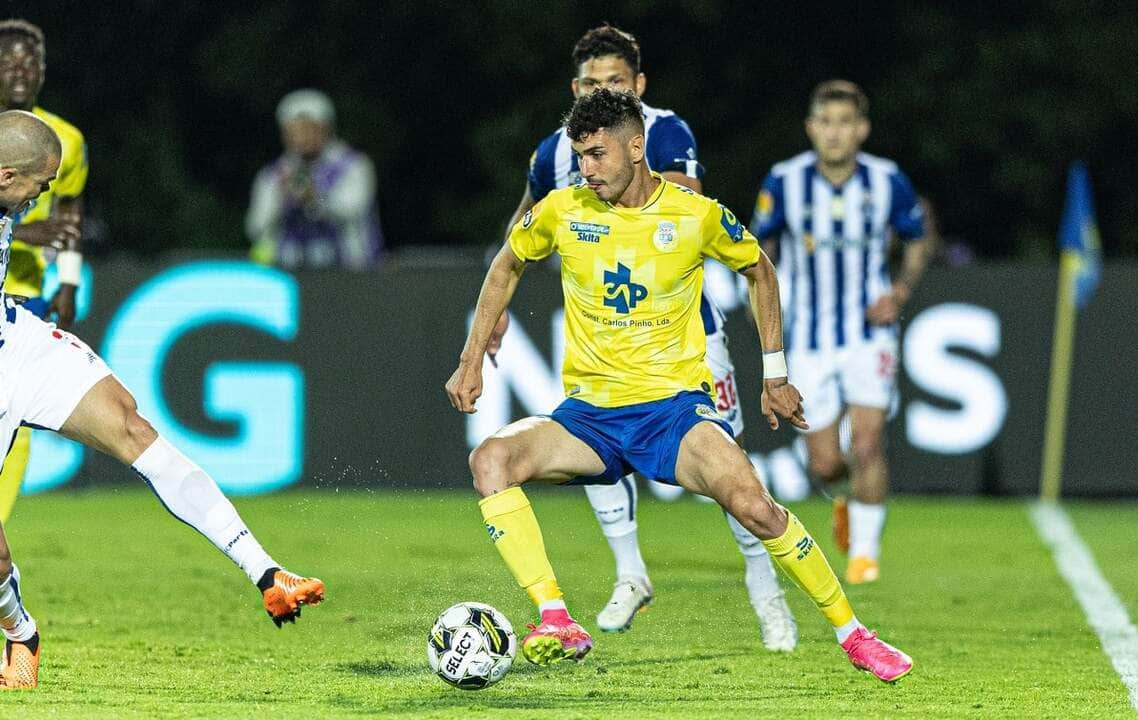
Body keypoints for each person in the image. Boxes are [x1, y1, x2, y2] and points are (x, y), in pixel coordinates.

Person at [446, 89, 913, 683]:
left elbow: (759, 269)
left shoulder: (695, 216)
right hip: (587, 419)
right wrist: (470, 359)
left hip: (672, 415)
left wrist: (775, 375)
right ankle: (555, 617)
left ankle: (855, 635)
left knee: (755, 507)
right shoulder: (564, 210)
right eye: (579, 156)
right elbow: (508, 262)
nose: (586, 170)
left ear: (636, 147)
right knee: (490, 458)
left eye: (597, 155)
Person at [489, 23, 797, 650]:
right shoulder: (556, 150)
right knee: (597, 440)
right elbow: (525, 218)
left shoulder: (666, 131)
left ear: (639, 85)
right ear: (576, 87)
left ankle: (766, 588)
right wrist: (496, 307)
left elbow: (682, 201)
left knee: (728, 462)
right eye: (593, 84)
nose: (605, 92)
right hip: (601, 331)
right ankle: (630, 573)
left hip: (687, 334)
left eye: (617, 83)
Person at [0, 111, 325, 690]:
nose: (45, 192)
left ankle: (267, 572)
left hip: (15, 340)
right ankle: (21, 632)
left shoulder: (7, 195)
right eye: (39, 183)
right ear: (6, 176)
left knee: (133, 428)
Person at [750, 80, 934, 584]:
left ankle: (865, 556)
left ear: (862, 130)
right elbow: (756, 251)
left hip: (867, 335)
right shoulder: (783, 181)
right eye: (825, 122)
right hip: (807, 338)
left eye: (844, 123)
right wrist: (765, 306)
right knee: (828, 463)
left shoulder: (886, 179)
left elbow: (919, 236)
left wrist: (899, 292)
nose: (834, 133)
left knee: (868, 444)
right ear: (811, 128)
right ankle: (845, 500)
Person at [0, 19, 86, 523]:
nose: (20, 70)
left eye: (29, 62)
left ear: (44, 73)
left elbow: (70, 215)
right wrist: (25, 230)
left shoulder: (66, 140)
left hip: (22, 292)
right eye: (9, 60)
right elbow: (41, 224)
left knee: (15, 422)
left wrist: (69, 278)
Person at [246, 88, 383, 271]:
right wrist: (281, 198)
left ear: (327, 128)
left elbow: (352, 210)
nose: (303, 137)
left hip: (351, 275)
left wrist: (314, 199)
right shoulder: (273, 174)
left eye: (310, 128)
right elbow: (255, 227)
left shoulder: (353, 166)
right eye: (295, 130)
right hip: (291, 275)